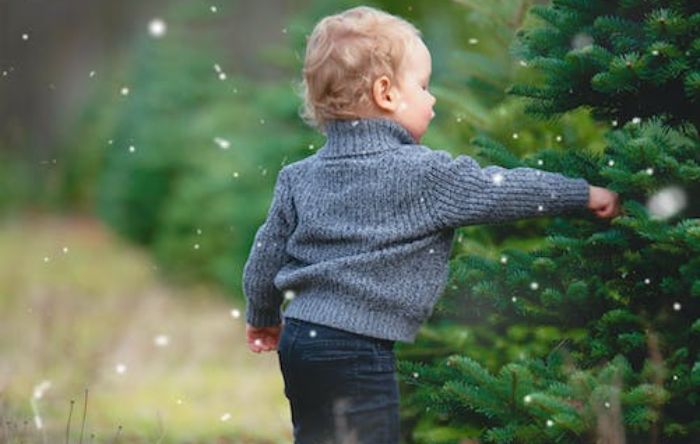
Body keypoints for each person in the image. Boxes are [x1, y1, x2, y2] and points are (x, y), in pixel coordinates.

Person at [241, 5, 621, 444]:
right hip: (357, 345)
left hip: (302, 340)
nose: (432, 98)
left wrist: (263, 316)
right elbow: (503, 189)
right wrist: (582, 193)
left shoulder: (298, 176)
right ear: (386, 93)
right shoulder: (424, 173)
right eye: (422, 86)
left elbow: (264, 256)